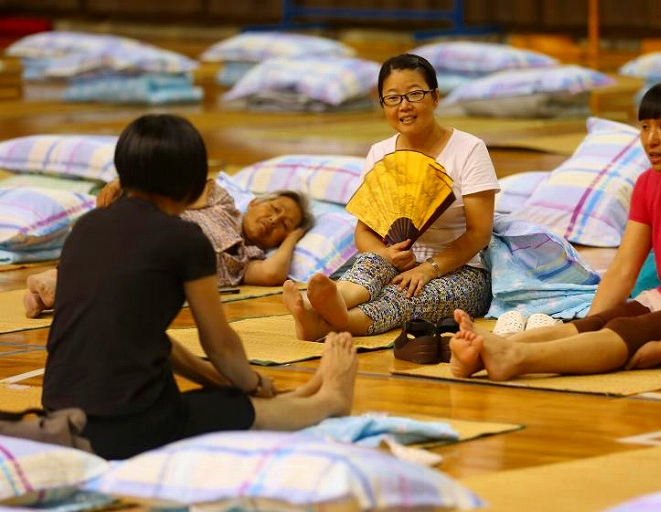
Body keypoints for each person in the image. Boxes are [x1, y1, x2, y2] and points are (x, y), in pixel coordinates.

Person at [41, 114, 357, 460]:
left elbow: (148, 337)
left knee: (222, 395)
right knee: (237, 411)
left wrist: (224, 382)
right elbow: (219, 344)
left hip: (60, 416)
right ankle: (329, 401)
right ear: (191, 186)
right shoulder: (185, 239)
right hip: (123, 429)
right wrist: (249, 385)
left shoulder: (87, 227)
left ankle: (300, 395)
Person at [449, 78, 661, 381]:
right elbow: (624, 268)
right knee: (605, 322)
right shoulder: (649, 183)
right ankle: (489, 347)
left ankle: (514, 358)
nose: (651, 140)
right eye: (645, 127)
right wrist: (589, 327)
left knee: (629, 330)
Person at [282, 53, 500, 341]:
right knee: (371, 263)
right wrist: (386, 254)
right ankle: (326, 302)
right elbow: (364, 231)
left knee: (403, 296)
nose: (404, 106)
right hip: (397, 262)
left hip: (463, 271)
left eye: (414, 94)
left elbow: (479, 233)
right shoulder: (380, 153)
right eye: (393, 98)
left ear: (435, 97)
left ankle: (329, 322)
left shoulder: (469, 149)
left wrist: (427, 270)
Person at [23, 166, 312, 318]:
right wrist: (125, 183)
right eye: (273, 210)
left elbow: (274, 273)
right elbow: (169, 185)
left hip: (162, 273)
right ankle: (56, 280)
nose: (273, 221)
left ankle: (51, 288)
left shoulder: (246, 259)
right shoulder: (221, 200)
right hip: (149, 232)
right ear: (255, 202)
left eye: (283, 225)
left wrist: (293, 237)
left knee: (124, 285)